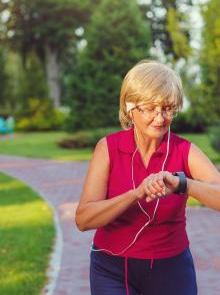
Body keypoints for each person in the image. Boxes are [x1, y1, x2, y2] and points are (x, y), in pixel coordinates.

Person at [75, 60, 220, 295]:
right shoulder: (108, 148)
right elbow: (83, 219)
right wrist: (136, 193)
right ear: (130, 107)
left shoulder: (184, 150)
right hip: (112, 268)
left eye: (168, 108)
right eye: (151, 108)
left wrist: (183, 183)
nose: (160, 118)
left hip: (171, 270)